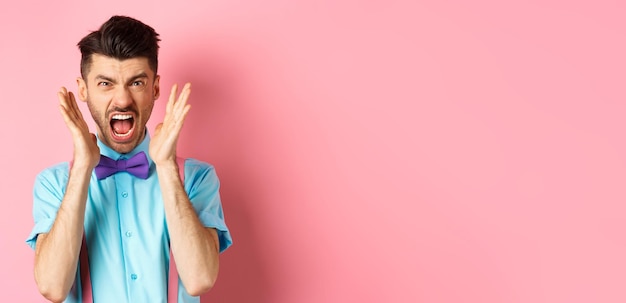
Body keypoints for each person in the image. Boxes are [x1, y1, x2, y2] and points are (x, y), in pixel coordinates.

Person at [25, 15, 232, 303]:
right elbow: (52, 287)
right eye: (106, 84)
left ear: (155, 88)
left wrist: (167, 166)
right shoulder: (54, 184)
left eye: (136, 83)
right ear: (83, 89)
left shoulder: (197, 178)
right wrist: (83, 167)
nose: (122, 100)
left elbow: (200, 279)